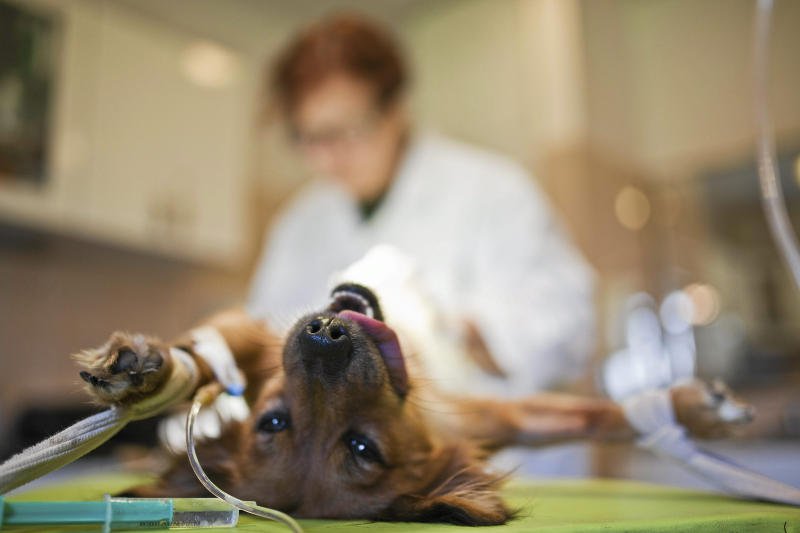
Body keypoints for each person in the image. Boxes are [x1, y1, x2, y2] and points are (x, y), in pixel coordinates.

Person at [248, 14, 594, 396]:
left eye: (345, 131)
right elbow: (264, 337)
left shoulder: (493, 191)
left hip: (490, 450)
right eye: (309, 138)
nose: (327, 159)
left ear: (395, 109)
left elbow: (563, 334)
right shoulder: (298, 224)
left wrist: (447, 336)